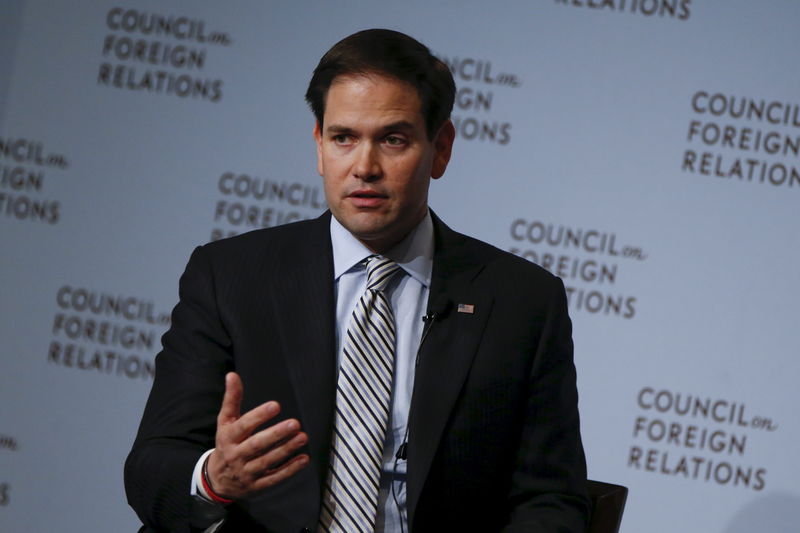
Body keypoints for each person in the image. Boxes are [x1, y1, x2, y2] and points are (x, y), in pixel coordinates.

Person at [125, 29, 589, 533]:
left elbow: (551, 501)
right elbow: (154, 465)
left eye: (393, 139)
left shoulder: (522, 300)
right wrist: (215, 479)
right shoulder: (230, 276)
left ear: (441, 148)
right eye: (344, 138)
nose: (364, 167)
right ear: (319, 146)